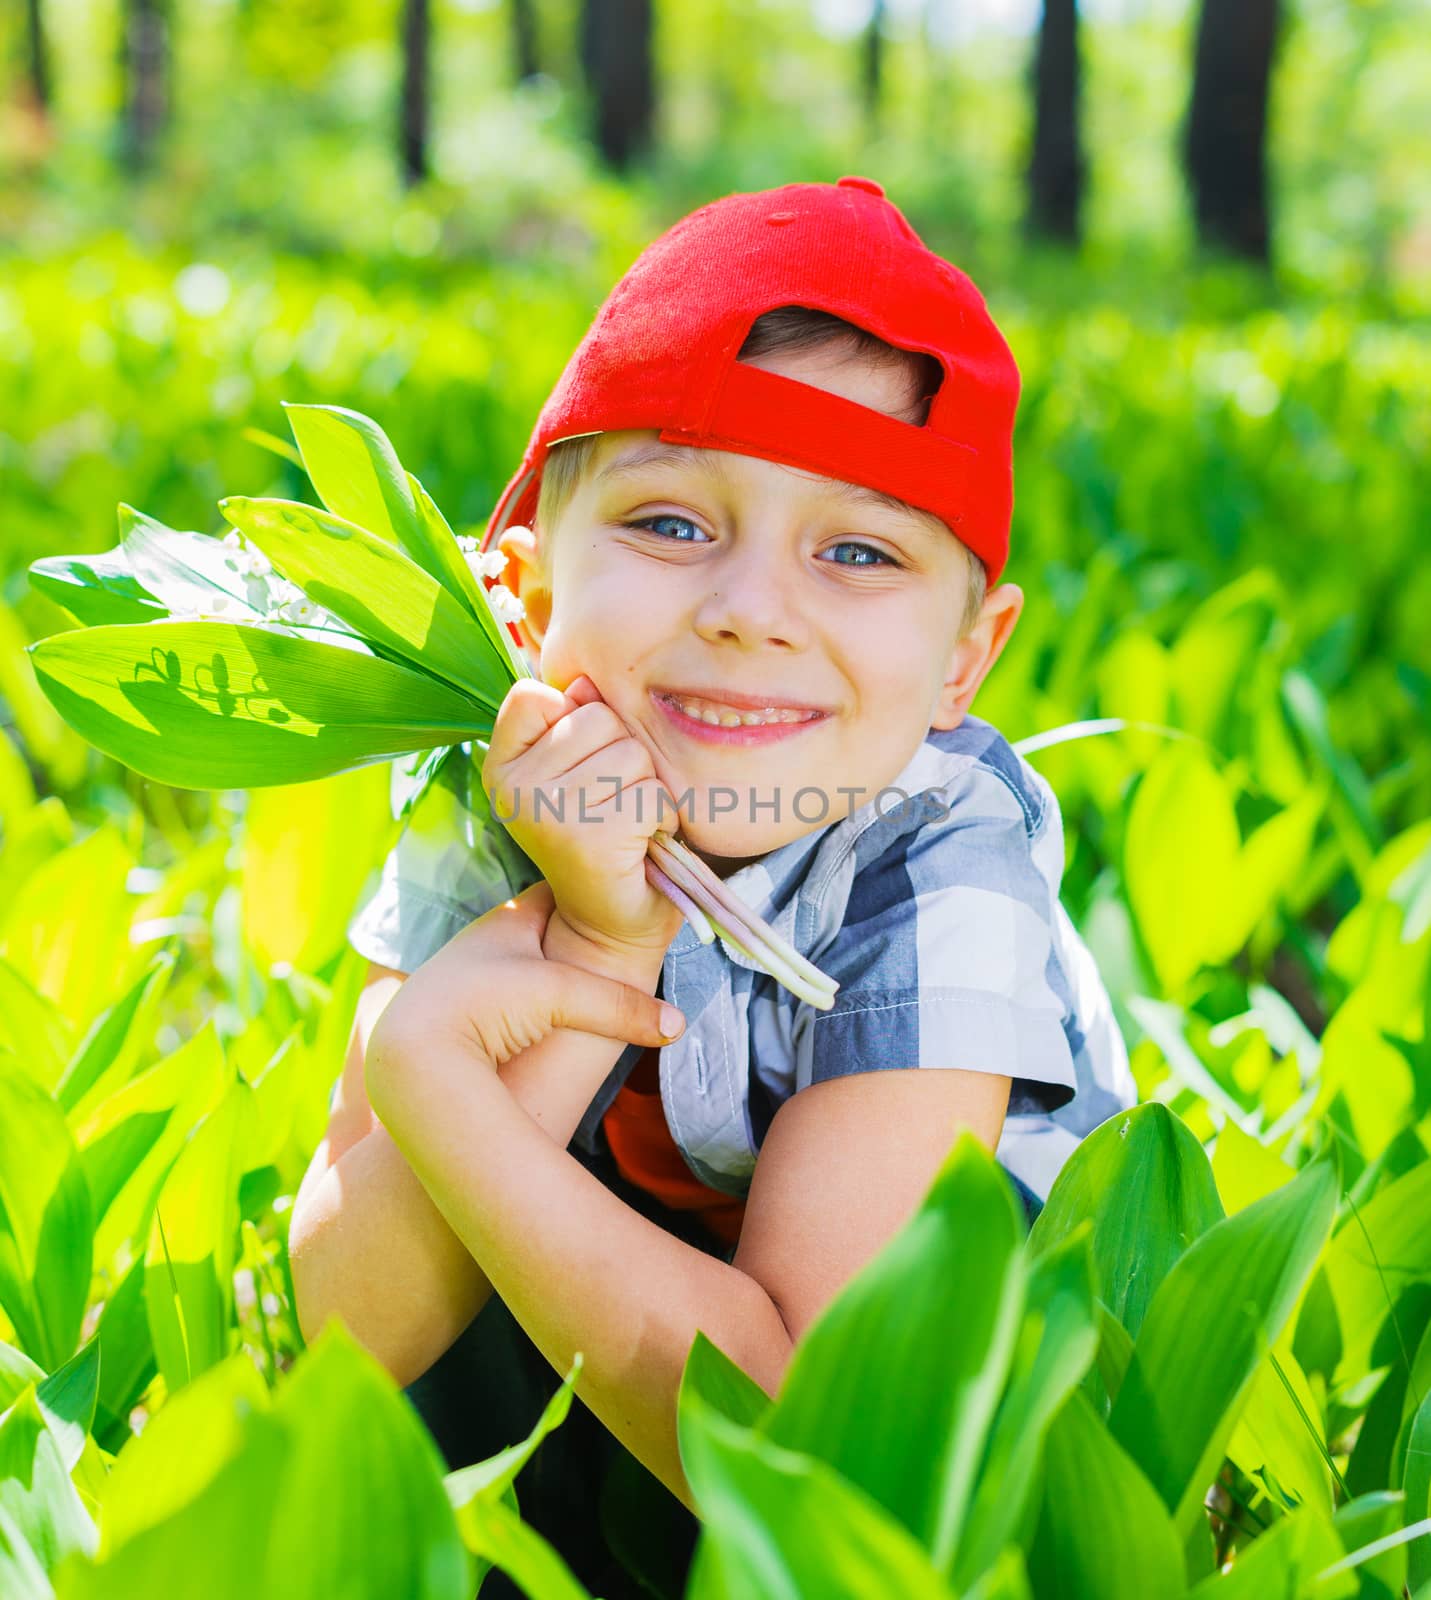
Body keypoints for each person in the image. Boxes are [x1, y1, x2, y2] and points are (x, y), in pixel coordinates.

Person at [288, 175, 1136, 1598]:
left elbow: (807, 1442)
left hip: (893, 1433)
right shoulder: (489, 790)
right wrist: (603, 939)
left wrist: (449, 1082)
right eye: (672, 524)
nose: (750, 608)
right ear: (527, 594)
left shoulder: (940, 854)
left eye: (859, 552)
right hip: (620, 1331)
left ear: (964, 662)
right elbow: (346, 1333)